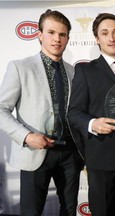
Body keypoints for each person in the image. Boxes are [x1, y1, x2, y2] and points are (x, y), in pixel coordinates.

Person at [0, 9, 84, 216]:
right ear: (39, 35)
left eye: (62, 34)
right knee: (31, 211)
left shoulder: (74, 72)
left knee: (70, 210)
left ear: (68, 38)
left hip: (70, 154)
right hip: (35, 152)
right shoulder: (20, 67)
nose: (57, 39)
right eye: (51, 32)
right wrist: (27, 136)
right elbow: (1, 109)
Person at [67, 13, 115, 216]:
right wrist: (93, 123)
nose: (111, 38)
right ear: (97, 38)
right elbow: (74, 113)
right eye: (105, 33)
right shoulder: (86, 71)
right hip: (101, 156)